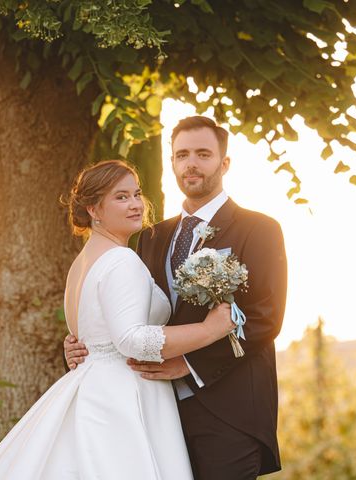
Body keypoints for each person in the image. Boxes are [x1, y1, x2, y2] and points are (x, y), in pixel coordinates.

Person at [0, 159, 234, 479]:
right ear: (94, 209)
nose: (136, 204)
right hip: (124, 394)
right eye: (121, 197)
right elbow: (131, 339)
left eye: (136, 194)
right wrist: (209, 329)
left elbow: (90, 334)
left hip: (92, 384)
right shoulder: (121, 259)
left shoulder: (81, 264)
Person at [65, 116, 288, 479]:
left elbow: (265, 317)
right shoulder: (153, 236)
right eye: (182, 155)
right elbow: (130, 312)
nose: (191, 163)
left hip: (229, 411)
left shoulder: (259, 229)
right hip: (158, 411)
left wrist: (191, 364)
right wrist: (83, 340)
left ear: (224, 163)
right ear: (172, 163)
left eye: (203, 154)